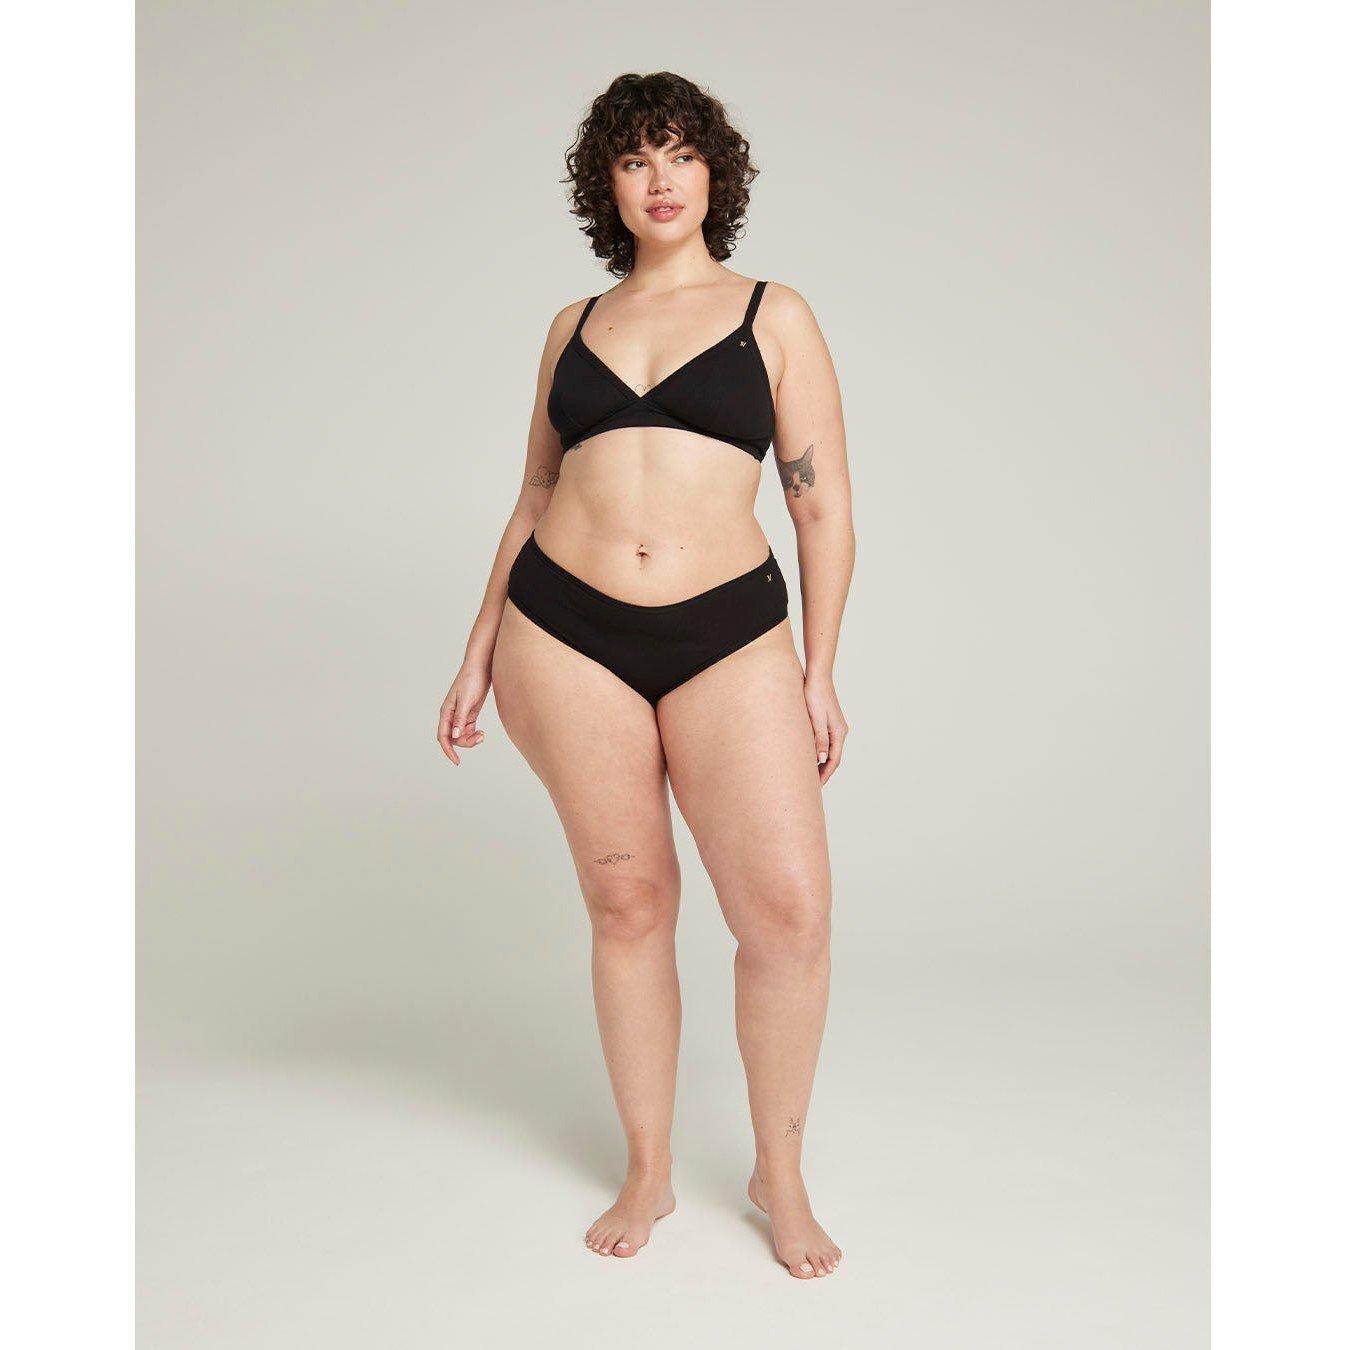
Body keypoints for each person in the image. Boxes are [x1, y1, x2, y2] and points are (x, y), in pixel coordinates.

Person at [437, 72, 855, 1280]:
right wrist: (477, 647)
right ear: (605, 187)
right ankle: (649, 1165)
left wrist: (821, 670)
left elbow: (821, 508)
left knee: (786, 913)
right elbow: (534, 491)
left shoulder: (774, 314)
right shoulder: (571, 326)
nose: (660, 179)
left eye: (680, 154)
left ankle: (779, 1174)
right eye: (633, 160)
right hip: (564, 632)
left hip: (728, 632)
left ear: (716, 173)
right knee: (628, 905)